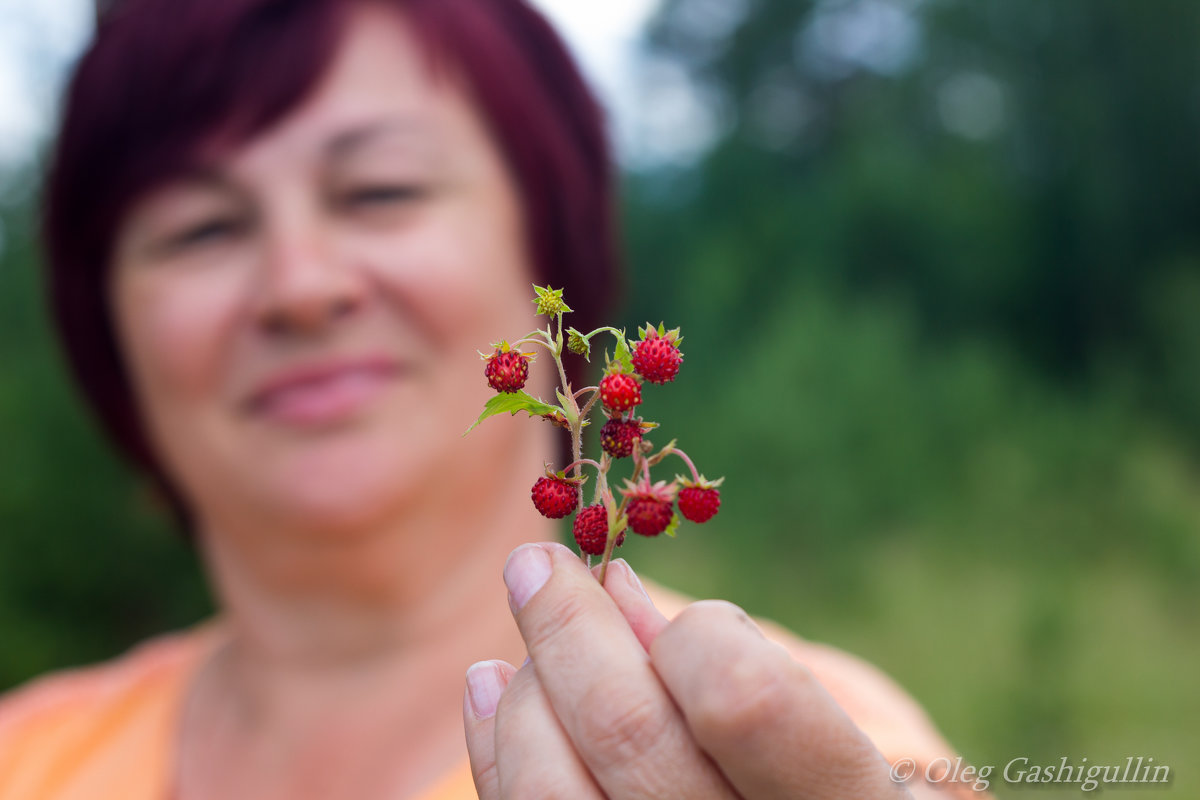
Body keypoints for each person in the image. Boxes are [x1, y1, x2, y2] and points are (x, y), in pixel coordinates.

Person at [0, 0, 986, 797]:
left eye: (380, 191)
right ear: (107, 331)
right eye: (200, 229)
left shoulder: (778, 741)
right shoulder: (28, 753)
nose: (299, 284)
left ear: (545, 258)